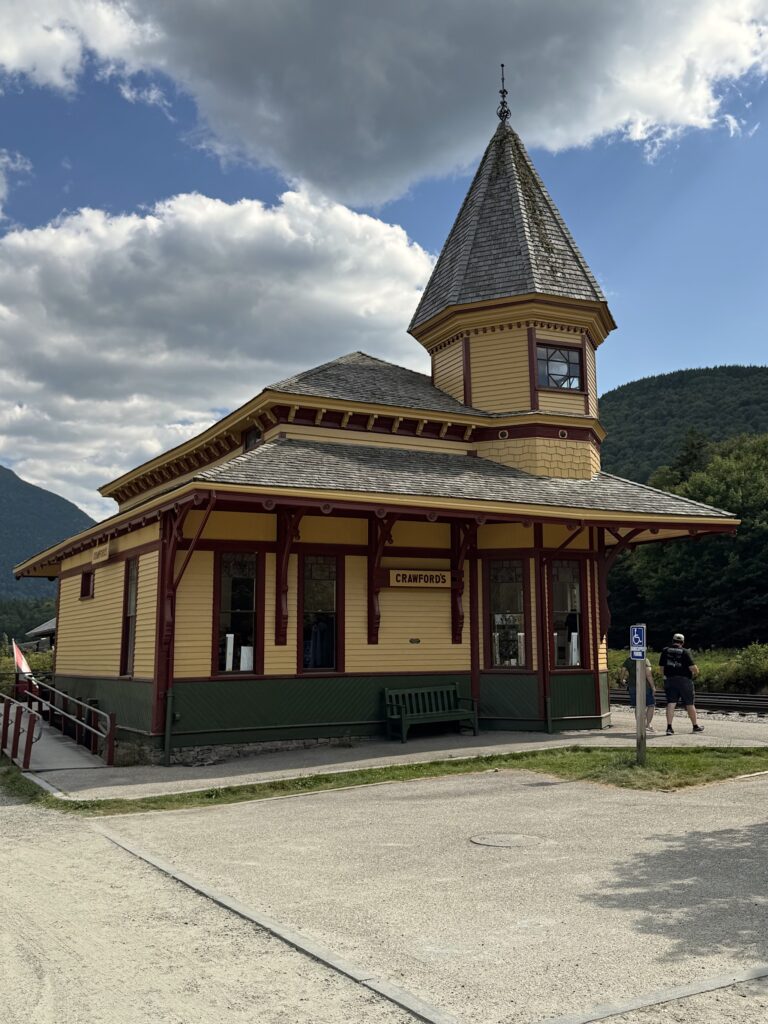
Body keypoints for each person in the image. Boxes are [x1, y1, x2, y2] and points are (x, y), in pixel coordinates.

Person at [659, 632, 703, 735]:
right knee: (689, 703)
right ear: (682, 642)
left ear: (673, 641)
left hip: (670, 680)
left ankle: (669, 728)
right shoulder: (685, 652)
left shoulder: (665, 651)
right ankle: (695, 726)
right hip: (684, 681)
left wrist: (665, 676)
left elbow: (661, 668)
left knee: (671, 703)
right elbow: (693, 668)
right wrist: (696, 672)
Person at [620, 654, 656, 730]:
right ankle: (648, 724)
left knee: (638, 706)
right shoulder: (645, 660)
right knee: (651, 705)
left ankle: (640, 725)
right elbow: (648, 675)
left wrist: (622, 680)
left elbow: (623, 670)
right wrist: (653, 687)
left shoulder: (628, 660)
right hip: (645, 686)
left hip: (632, 686)